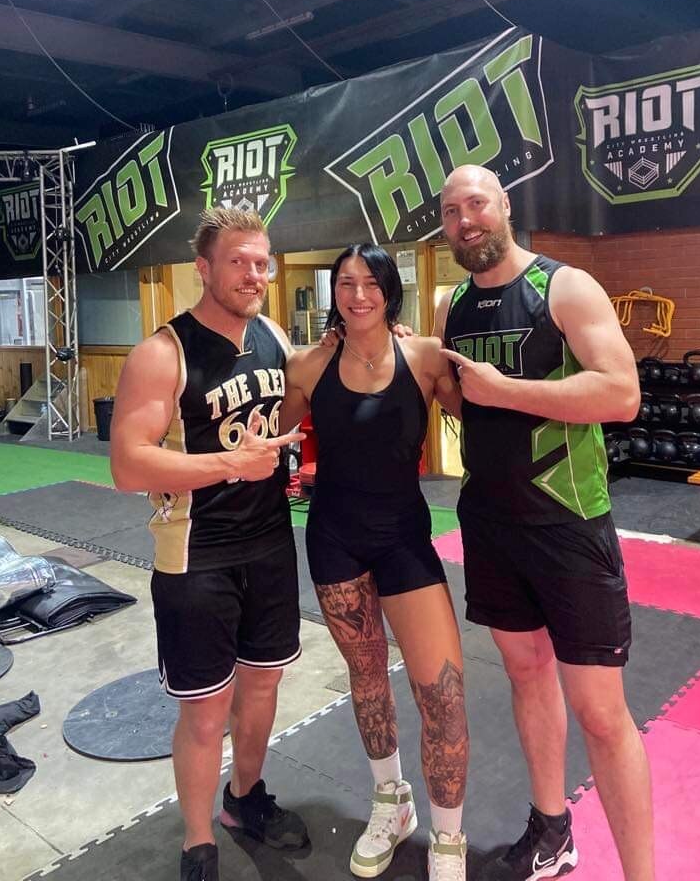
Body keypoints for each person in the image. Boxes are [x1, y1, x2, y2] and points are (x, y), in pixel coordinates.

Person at [435, 165, 653, 881]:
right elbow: (468, 404)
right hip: (492, 524)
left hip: (566, 523)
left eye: (476, 204)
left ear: (503, 206)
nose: (465, 220)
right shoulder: (454, 308)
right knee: (527, 678)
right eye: (451, 211)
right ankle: (552, 832)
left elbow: (621, 394)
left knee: (599, 711)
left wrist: (506, 389)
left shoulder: (563, 286)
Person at [110, 207, 308, 881]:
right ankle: (199, 840)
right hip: (197, 556)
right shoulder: (162, 353)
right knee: (205, 712)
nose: (254, 274)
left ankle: (244, 799)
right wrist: (229, 465)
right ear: (204, 268)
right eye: (238, 262)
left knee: (263, 691)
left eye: (262, 261)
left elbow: (292, 407)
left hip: (270, 547)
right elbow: (128, 466)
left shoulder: (274, 337)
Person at [280, 243, 469, 881]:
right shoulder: (306, 367)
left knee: (441, 691)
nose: (357, 294)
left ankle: (450, 834)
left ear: (390, 289)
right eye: (345, 283)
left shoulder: (424, 357)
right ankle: (392, 801)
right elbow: (266, 438)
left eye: (370, 283)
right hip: (334, 538)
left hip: (404, 542)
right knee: (366, 677)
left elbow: (488, 422)